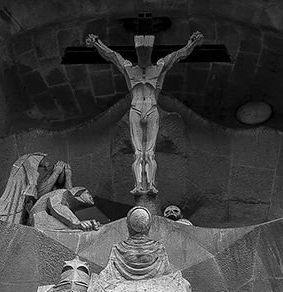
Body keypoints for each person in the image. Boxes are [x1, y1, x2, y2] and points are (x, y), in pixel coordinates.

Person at [86, 27, 204, 197]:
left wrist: (191, 42)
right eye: (140, 52)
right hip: (135, 109)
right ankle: (138, 185)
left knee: (149, 153)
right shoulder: (129, 68)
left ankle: (150, 185)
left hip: (151, 109)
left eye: (145, 52)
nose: (142, 55)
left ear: (150, 52)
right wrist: (97, 43)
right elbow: (112, 56)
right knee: (138, 153)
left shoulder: (159, 67)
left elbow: (179, 55)